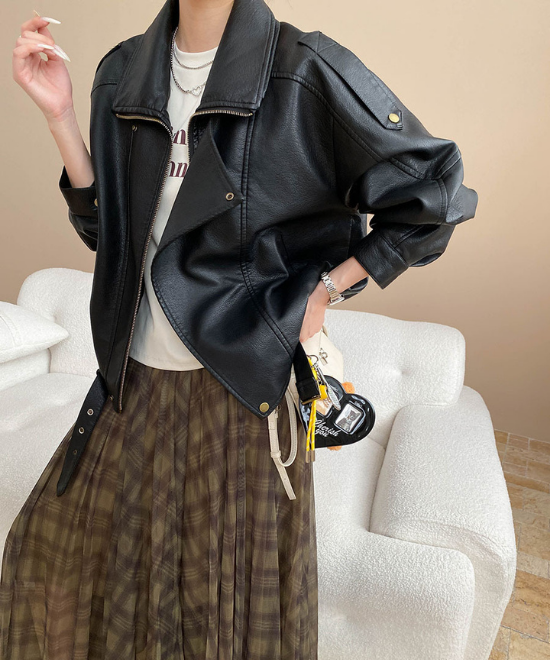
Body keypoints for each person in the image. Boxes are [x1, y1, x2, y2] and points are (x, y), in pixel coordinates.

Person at [2, 0, 478, 657]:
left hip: (244, 389)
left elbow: (436, 195)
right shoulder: (124, 72)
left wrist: (325, 291)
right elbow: (109, 233)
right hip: (130, 381)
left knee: (217, 620)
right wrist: (58, 115)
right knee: (48, 562)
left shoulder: (305, 71)